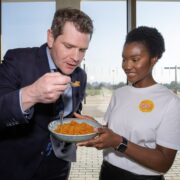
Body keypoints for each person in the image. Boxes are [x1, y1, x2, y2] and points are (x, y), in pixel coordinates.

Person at [0, 8, 93, 180]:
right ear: (51, 37)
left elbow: (73, 111)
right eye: (69, 46)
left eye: (82, 50)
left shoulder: (80, 75)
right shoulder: (17, 60)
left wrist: (79, 126)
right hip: (18, 168)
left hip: (59, 167)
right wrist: (31, 94)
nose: (76, 57)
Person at [77, 26, 180, 180]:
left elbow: (164, 163)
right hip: (107, 173)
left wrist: (119, 142)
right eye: (124, 59)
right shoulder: (119, 94)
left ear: (154, 59)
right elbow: (113, 131)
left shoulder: (170, 102)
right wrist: (95, 128)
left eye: (135, 59)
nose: (126, 66)